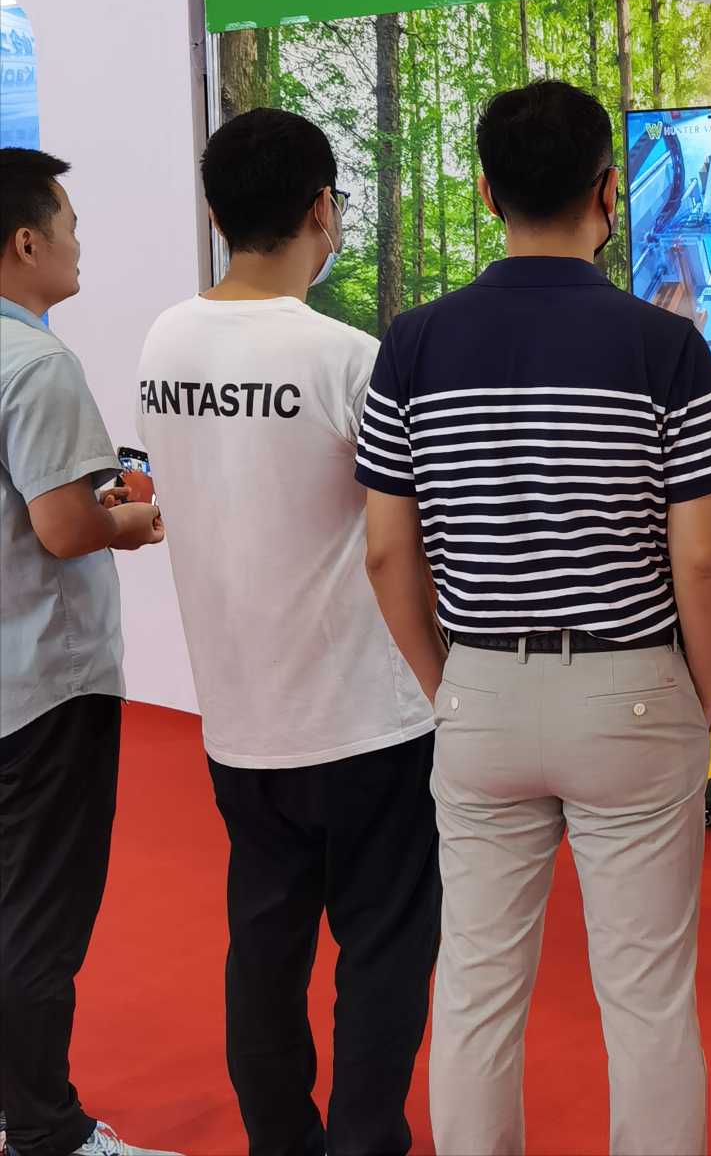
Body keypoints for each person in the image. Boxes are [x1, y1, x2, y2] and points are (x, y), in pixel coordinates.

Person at [356, 79, 711, 1156]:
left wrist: (449, 683)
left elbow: (386, 550)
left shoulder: (412, 345)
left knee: (477, 992)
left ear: (486, 192)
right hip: (633, 690)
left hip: (479, 688)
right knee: (648, 999)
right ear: (609, 191)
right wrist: (698, 698)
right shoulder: (665, 347)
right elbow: (702, 559)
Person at [135, 110, 438, 1156]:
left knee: (264, 944)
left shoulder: (164, 342)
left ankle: (281, 1140)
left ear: (217, 212)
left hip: (238, 716)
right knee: (384, 948)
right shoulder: (350, 359)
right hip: (367, 717)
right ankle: (364, 1141)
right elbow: (406, 539)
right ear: (322, 210)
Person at [0, 150, 170, 1156]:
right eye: (67, 225)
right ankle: (46, 1132)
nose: (78, 242)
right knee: (39, 915)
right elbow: (65, 528)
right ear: (26, 242)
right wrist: (129, 522)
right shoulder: (36, 364)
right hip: (45, 685)